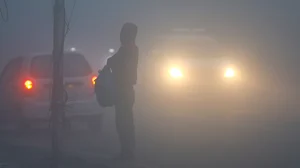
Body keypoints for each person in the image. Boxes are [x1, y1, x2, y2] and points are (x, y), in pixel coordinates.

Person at [106, 23, 138, 162]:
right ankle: (128, 151)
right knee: (127, 122)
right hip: (128, 91)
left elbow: (111, 61)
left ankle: (127, 152)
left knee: (123, 122)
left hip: (123, 90)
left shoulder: (126, 50)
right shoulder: (133, 49)